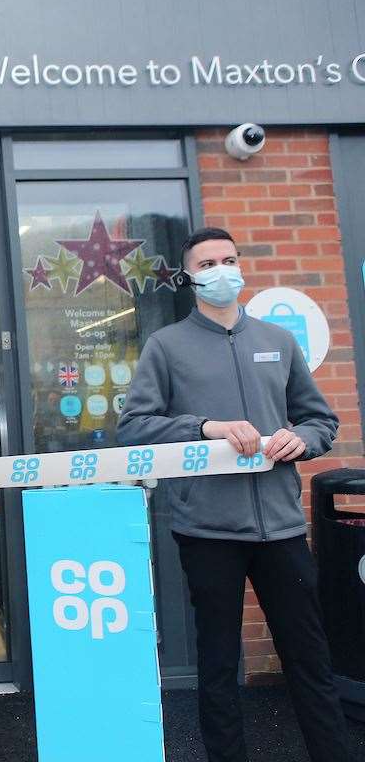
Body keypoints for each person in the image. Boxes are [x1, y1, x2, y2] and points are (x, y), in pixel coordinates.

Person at [116, 227, 351, 762]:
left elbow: (321, 419)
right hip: (208, 531)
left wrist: (304, 438)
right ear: (190, 277)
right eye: (207, 264)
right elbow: (134, 426)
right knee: (218, 663)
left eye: (229, 260)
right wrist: (205, 428)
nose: (221, 271)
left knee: (310, 659)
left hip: (282, 528)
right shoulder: (167, 346)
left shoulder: (277, 341)